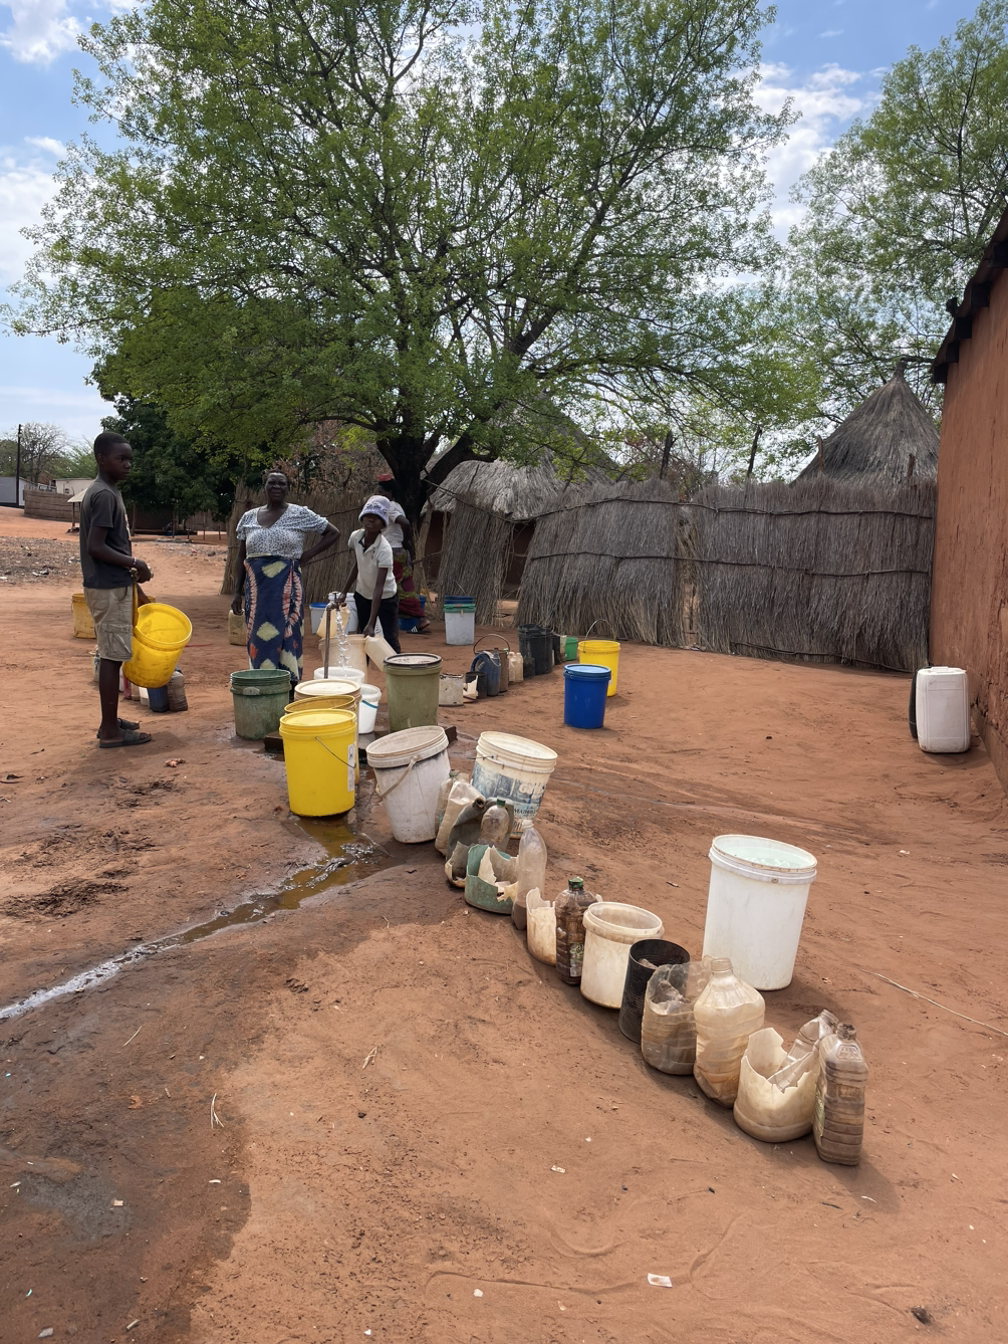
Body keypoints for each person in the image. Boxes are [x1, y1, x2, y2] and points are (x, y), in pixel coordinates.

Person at [231, 471, 340, 687]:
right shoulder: (248, 517)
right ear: (265, 486)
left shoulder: (300, 514)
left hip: (287, 589)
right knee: (258, 635)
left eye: (282, 483)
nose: (277, 487)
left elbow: (333, 532)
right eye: (272, 483)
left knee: (289, 633)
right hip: (257, 592)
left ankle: (289, 687)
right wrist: (237, 591)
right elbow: (241, 556)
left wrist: (307, 555)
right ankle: (263, 684)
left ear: (288, 488)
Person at [79, 432, 154, 748]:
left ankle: (110, 720)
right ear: (101, 459)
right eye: (121, 459)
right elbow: (95, 547)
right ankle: (109, 731)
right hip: (108, 587)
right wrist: (136, 562)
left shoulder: (106, 491)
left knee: (113, 653)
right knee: (111, 657)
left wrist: (132, 579)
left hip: (112, 584)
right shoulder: (103, 495)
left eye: (129, 460)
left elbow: (107, 544)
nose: (127, 465)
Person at [338, 497, 402, 652]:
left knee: (390, 638)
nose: (371, 520)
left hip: (385, 596)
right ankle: (363, 667)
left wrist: (371, 623)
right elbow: (357, 565)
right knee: (363, 637)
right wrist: (344, 592)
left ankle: (396, 666)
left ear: (383, 524)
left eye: (377, 517)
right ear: (362, 518)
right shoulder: (355, 537)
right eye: (368, 515)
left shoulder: (384, 549)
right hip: (363, 594)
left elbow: (379, 587)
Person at [377, 475, 431, 633]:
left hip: (392, 552)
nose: (379, 495)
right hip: (398, 551)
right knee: (401, 586)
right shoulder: (395, 505)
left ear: (390, 493)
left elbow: (405, 523)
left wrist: (406, 540)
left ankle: (420, 619)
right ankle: (413, 619)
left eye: (381, 492)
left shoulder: (389, 506)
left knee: (394, 587)